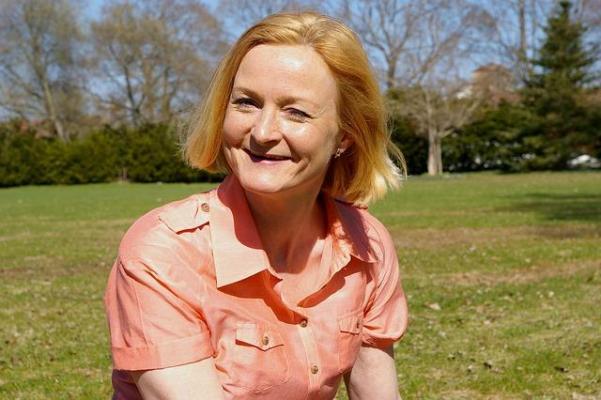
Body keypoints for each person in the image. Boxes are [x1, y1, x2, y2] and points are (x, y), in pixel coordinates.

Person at [104, 11, 409, 400]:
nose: (262, 132)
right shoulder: (163, 251)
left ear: (345, 137)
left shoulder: (368, 246)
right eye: (246, 103)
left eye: (295, 112)